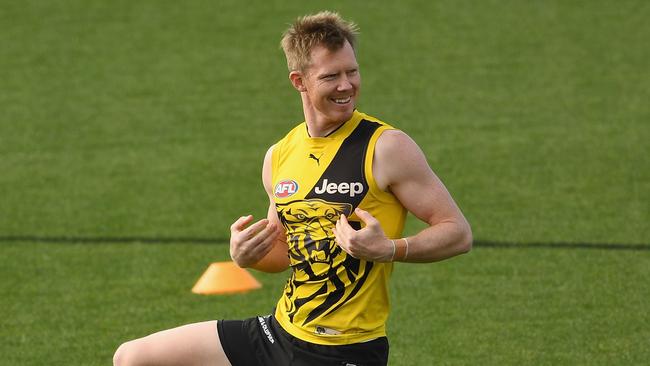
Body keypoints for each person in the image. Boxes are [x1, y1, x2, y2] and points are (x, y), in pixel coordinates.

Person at [113, 10, 472, 366]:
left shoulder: (386, 148)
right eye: (332, 76)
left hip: (347, 350)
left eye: (353, 71)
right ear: (299, 81)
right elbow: (284, 252)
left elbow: (457, 232)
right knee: (133, 357)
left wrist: (390, 248)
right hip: (278, 334)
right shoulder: (280, 155)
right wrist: (246, 256)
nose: (347, 85)